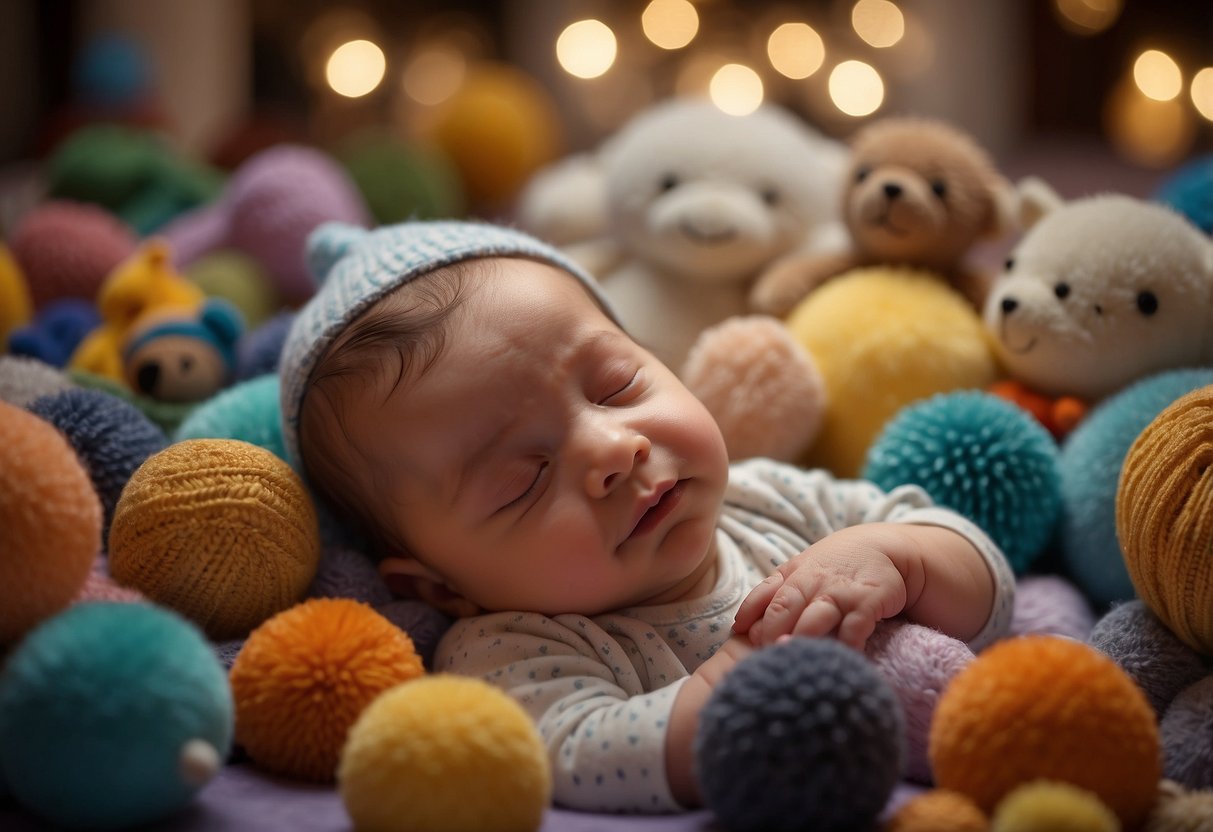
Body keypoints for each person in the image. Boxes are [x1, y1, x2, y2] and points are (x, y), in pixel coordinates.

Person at [279, 220, 1015, 814]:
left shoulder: (767, 499)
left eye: (617, 386)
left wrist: (893, 556)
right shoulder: (509, 651)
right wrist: (753, 662)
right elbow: (589, 757)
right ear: (439, 587)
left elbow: (983, 578)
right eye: (523, 480)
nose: (613, 449)